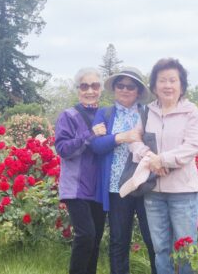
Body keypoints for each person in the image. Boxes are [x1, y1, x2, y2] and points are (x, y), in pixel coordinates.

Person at [129, 58, 198, 274]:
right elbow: (134, 140)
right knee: (160, 249)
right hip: (153, 191)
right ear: (154, 86)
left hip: (183, 192)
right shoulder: (146, 112)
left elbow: (192, 146)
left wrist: (161, 160)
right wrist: (150, 157)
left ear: (182, 85)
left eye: (173, 80)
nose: (168, 85)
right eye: (162, 80)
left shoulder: (191, 111)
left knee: (187, 249)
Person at [91, 67, 157, 274]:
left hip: (146, 185)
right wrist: (120, 137)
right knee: (119, 241)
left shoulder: (149, 113)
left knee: (153, 239)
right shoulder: (104, 113)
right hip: (117, 187)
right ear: (115, 88)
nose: (125, 90)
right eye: (121, 85)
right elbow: (96, 146)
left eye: (131, 86)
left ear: (138, 91)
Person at [55, 67, 107, 274]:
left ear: (100, 89)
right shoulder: (68, 115)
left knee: (94, 240)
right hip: (75, 188)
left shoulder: (105, 115)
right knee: (85, 235)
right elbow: (63, 149)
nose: (90, 90)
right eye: (84, 86)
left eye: (94, 85)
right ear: (78, 89)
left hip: (98, 188)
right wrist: (90, 134)